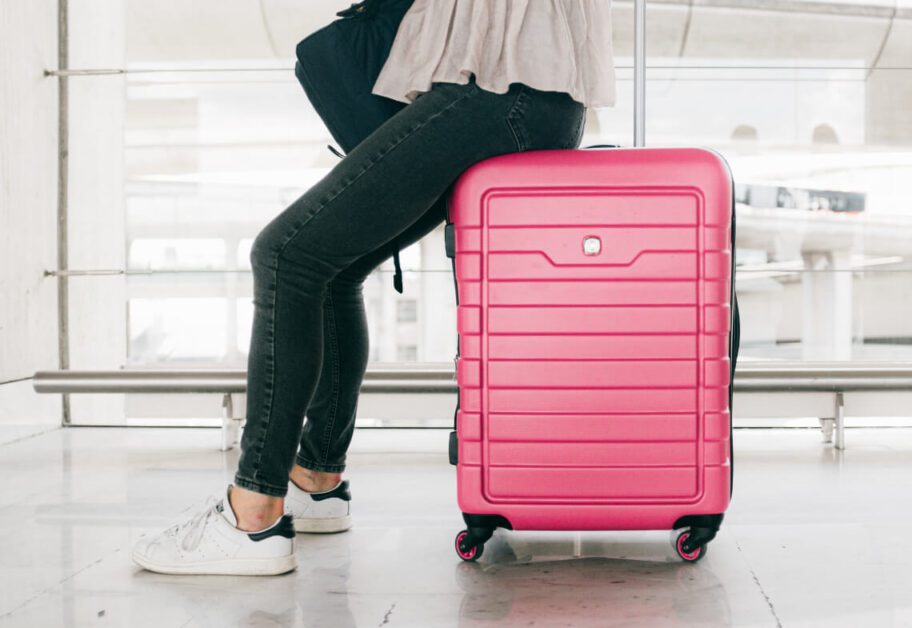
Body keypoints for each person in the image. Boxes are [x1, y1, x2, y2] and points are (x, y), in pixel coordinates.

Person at [132, 0, 615, 576]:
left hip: (493, 88)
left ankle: (252, 512)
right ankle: (316, 479)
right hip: (534, 96)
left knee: (285, 254)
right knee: (333, 268)